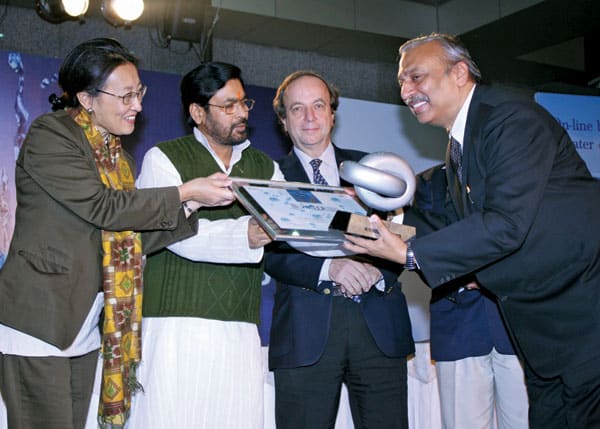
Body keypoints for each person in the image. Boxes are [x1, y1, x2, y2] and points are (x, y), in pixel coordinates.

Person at [343, 33, 600, 428]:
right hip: (544, 334)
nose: (406, 91)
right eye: (401, 83)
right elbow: (454, 225)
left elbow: (506, 224)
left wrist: (409, 254)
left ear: (459, 72)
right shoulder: (460, 144)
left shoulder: (510, 120)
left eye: (415, 77)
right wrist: (360, 221)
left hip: (583, 320)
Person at [0, 38, 235, 429]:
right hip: (40, 321)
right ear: (87, 99)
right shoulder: (51, 136)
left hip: (85, 324)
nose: (138, 106)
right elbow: (102, 207)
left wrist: (191, 205)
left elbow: (131, 237)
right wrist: (184, 190)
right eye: (126, 96)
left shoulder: (118, 158)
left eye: (139, 93)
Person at [128, 62, 284, 429]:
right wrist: (245, 233)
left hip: (240, 329)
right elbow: (176, 235)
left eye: (244, 104)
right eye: (227, 106)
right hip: (172, 328)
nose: (241, 113)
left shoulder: (267, 169)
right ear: (197, 113)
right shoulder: (163, 159)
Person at [265, 70, 414, 429]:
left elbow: (410, 229)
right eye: (297, 109)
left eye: (318, 105)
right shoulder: (269, 176)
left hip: (378, 328)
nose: (310, 117)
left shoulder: (375, 169)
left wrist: (379, 268)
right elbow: (268, 251)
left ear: (333, 113)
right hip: (306, 335)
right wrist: (329, 269)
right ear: (284, 121)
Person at [409, 164, 529, 428]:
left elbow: (530, 236)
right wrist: (466, 275)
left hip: (519, 325)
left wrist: (493, 275)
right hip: (458, 324)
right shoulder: (430, 182)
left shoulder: (515, 171)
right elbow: (421, 251)